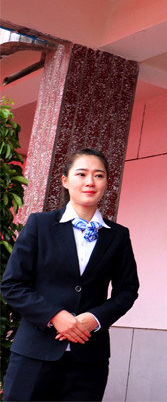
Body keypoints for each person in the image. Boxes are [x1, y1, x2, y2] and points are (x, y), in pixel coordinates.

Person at [1, 148, 140, 401]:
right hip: (34, 355)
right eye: (81, 174)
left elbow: (128, 290)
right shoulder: (40, 225)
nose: (90, 182)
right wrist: (54, 316)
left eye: (99, 175)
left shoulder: (118, 235)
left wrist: (95, 318)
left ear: (106, 183)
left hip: (89, 360)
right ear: (65, 181)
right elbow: (12, 285)